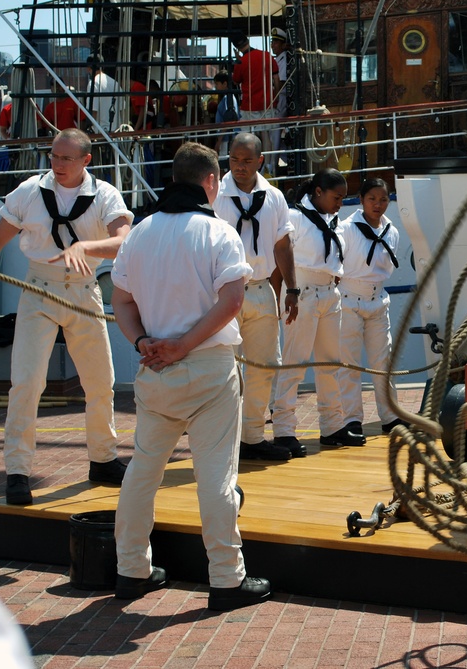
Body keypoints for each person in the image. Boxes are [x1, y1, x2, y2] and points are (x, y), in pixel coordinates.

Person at [111, 141, 271, 612]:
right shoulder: (219, 234)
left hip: (154, 368)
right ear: (209, 182)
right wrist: (186, 344)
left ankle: (131, 571)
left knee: (142, 472)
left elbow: (120, 300)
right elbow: (232, 302)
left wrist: (143, 342)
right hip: (207, 371)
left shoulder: (139, 234)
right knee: (216, 478)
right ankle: (225, 579)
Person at [0, 128, 132, 505]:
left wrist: (86, 246)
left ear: (85, 161)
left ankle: (103, 458)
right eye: (53, 156)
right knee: (26, 383)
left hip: (82, 289)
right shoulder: (31, 191)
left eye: (66, 158)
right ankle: (17, 471)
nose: (57, 164)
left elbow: (124, 239)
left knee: (99, 383)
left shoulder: (104, 195)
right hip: (39, 290)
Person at [212, 132, 302, 460]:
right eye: (234, 159)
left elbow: (282, 245)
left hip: (262, 288)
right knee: (223, 368)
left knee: (265, 367)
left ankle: (252, 437)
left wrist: (291, 289)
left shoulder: (274, 197)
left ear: (260, 160)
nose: (240, 166)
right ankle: (222, 440)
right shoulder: (215, 195)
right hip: (223, 290)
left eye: (247, 160)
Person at [270, 168, 364, 451]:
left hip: (328, 294)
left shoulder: (332, 219)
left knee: (330, 363)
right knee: (295, 363)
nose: (340, 203)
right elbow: (280, 255)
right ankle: (284, 430)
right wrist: (287, 293)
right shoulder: (295, 217)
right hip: (303, 292)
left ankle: (332, 426)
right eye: (336, 197)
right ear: (318, 193)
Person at [339, 178, 406, 436]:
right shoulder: (346, 229)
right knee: (350, 363)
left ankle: (390, 416)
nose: (378, 205)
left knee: (383, 362)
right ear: (361, 199)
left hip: (378, 301)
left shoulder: (392, 231)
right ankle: (351, 419)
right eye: (372, 199)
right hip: (349, 301)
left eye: (383, 199)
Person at [231, 33, 278, 174]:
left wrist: (238, 61)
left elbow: (235, 80)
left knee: (248, 138)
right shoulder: (266, 56)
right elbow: (276, 79)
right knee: (266, 135)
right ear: (247, 40)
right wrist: (276, 98)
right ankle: (268, 167)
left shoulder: (242, 62)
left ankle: (251, 169)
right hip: (267, 102)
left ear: (236, 47)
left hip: (249, 105)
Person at [268, 28, 289, 172]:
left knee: (274, 133)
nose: (272, 45)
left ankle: (273, 167)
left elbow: (280, 83)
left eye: (275, 42)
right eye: (272, 42)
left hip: (280, 98)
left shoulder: (284, 59)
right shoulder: (277, 60)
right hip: (276, 98)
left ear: (282, 44)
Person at [85, 55, 123, 133]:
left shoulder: (93, 83)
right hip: (117, 132)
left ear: (88, 68)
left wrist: (89, 128)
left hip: (101, 132)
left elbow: (93, 111)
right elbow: (122, 110)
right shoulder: (115, 83)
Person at [213, 70, 240, 157]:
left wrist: (219, 141)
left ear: (224, 84)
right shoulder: (229, 97)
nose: (216, 87)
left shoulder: (227, 99)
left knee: (223, 159)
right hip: (226, 137)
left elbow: (227, 121)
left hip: (226, 138)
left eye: (217, 84)